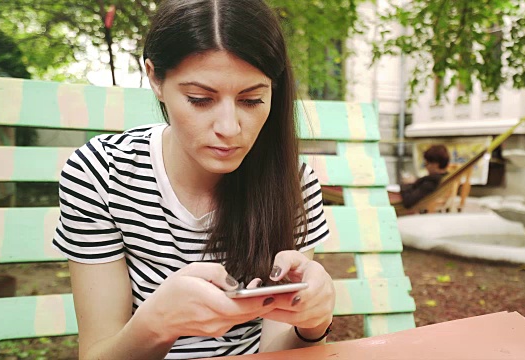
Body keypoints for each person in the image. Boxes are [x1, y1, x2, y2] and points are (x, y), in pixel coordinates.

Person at [51, 1, 334, 358]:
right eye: (200, 100)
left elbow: (278, 349)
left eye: (252, 100)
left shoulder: (291, 182)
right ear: (155, 79)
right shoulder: (102, 173)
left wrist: (312, 321)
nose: (229, 128)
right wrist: (157, 323)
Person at [399, 144, 451, 208]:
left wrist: (407, 184)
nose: (426, 167)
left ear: (435, 165)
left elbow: (408, 201)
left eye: (426, 164)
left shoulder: (430, 183)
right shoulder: (447, 178)